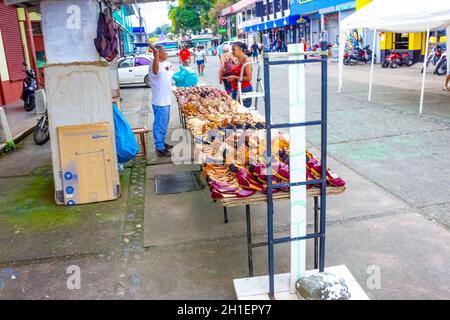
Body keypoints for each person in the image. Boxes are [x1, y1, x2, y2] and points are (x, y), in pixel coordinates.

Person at [149, 43, 173, 157]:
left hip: (165, 101)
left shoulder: (160, 64)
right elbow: (155, 71)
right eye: (164, 51)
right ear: (158, 53)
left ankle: (162, 142)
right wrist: (156, 54)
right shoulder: (155, 64)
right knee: (159, 125)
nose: (166, 53)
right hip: (160, 102)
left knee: (163, 124)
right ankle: (159, 148)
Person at [225, 42, 253, 108]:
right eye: (232, 50)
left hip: (244, 89)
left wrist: (234, 77)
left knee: (244, 111)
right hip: (235, 89)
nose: (232, 52)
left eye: (234, 50)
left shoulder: (246, 61)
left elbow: (249, 78)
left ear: (240, 49)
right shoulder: (237, 60)